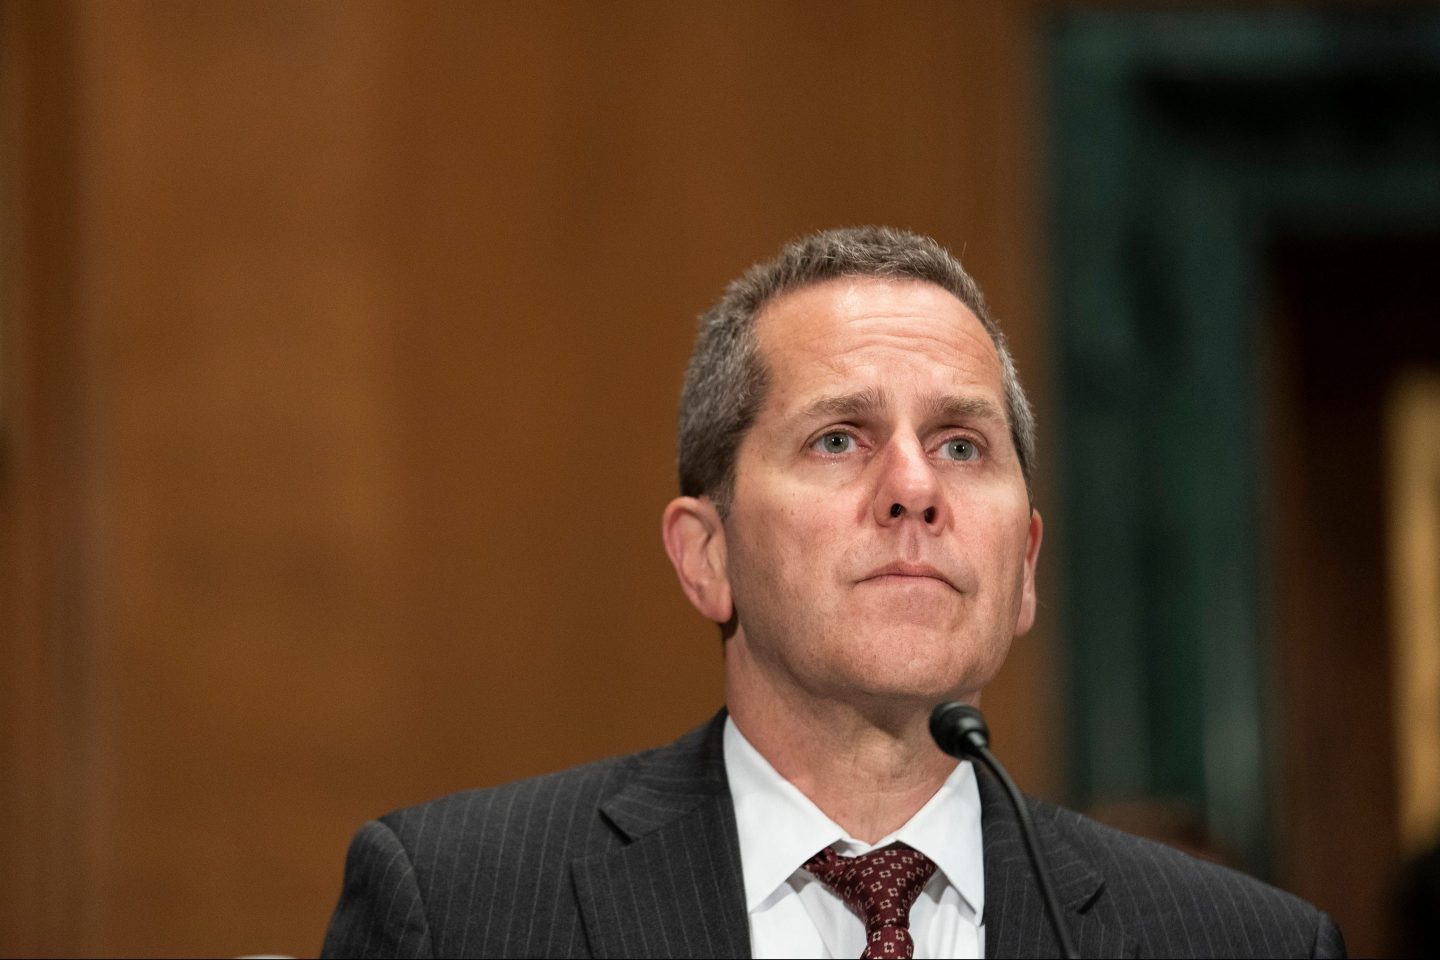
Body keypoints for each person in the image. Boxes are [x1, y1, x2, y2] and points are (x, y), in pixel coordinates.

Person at [321, 227, 1345, 959]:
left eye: (961, 444)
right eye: (839, 438)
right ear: (705, 555)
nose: (913, 488)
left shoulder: (1243, 941)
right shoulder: (459, 907)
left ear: (1025, 567)